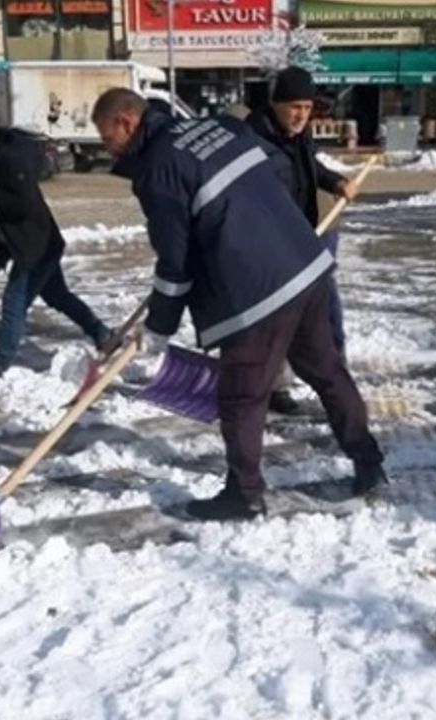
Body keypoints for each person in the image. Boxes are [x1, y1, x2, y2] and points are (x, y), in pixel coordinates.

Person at [91, 87, 387, 520]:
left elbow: (176, 262)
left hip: (256, 291)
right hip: (304, 264)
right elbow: (263, 184)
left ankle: (244, 493)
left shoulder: (158, 171)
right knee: (327, 372)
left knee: (242, 398)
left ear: (126, 122)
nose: (107, 148)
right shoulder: (222, 127)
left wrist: (159, 330)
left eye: (106, 138)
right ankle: (370, 464)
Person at [0, 123, 110, 385]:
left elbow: (23, 207)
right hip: (21, 246)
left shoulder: (10, 161)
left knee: (14, 303)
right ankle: (101, 333)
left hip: (39, 243)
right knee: (57, 296)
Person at [244, 66, 357, 414]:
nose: (301, 115)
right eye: (295, 107)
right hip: (272, 246)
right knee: (276, 320)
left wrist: (335, 181)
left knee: (327, 308)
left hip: (307, 237)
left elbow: (311, 168)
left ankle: (336, 376)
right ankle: (275, 388)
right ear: (276, 103)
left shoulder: (299, 135)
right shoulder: (253, 140)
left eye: (307, 108)